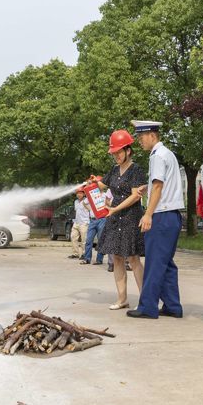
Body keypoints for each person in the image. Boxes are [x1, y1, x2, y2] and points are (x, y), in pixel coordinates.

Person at [125, 120, 184, 319]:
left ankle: (148, 306)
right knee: (166, 263)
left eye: (141, 137)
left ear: (152, 135)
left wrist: (148, 213)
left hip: (162, 215)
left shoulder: (157, 156)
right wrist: (147, 189)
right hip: (172, 216)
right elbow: (159, 185)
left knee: (154, 263)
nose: (139, 141)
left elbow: (159, 187)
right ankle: (173, 305)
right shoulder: (168, 154)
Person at [90, 129, 146, 309]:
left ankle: (145, 300)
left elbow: (135, 196)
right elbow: (102, 184)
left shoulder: (136, 169)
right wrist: (93, 182)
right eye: (113, 153)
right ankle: (122, 299)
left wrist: (115, 209)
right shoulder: (114, 170)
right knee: (116, 257)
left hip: (130, 216)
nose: (116, 156)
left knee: (133, 258)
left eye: (118, 152)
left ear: (128, 150)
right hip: (114, 218)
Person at [82, 186, 106, 265]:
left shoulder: (105, 195)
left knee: (100, 240)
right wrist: (90, 209)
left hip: (102, 219)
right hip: (92, 220)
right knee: (88, 240)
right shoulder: (91, 195)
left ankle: (99, 260)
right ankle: (87, 259)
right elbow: (84, 203)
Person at [68, 187, 90, 260]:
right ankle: (75, 253)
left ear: (84, 194)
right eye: (77, 193)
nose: (79, 195)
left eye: (80, 193)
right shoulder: (76, 202)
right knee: (73, 237)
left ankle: (84, 254)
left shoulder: (87, 200)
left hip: (84, 223)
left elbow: (90, 210)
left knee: (84, 240)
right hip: (76, 222)